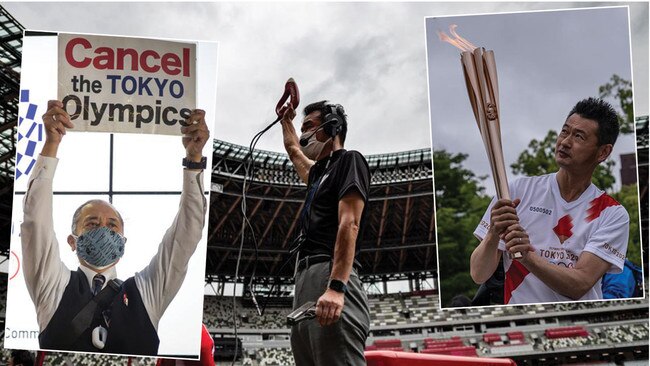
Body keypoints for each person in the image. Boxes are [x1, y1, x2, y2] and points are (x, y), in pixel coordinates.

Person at [21, 100, 210, 355]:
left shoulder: (147, 291)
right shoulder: (51, 284)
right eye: (91, 223)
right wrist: (51, 144)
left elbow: (187, 234)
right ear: (72, 240)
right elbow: (35, 220)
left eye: (112, 225)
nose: (103, 229)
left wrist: (194, 160)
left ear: (123, 241)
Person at [470, 97, 630, 305]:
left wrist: (526, 255)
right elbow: (478, 274)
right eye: (565, 131)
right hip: (524, 321)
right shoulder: (517, 191)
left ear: (603, 152)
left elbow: (579, 284)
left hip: (581, 322)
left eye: (579, 137)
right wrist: (493, 233)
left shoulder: (612, 213)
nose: (565, 142)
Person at [280, 100, 371, 366]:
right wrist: (285, 119)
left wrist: (336, 286)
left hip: (330, 273)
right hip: (304, 277)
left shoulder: (349, 161)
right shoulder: (319, 173)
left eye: (309, 126)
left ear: (333, 127)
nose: (303, 133)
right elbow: (294, 149)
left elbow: (349, 223)